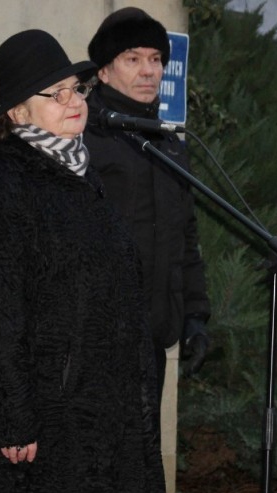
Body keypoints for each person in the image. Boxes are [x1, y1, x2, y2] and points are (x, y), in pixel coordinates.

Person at [0, 29, 171, 493]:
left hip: (95, 422)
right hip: (37, 431)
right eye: (55, 93)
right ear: (16, 114)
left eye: (76, 89)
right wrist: (11, 415)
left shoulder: (83, 175)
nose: (73, 102)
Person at [85, 7, 211, 392]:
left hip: (152, 338)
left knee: (143, 453)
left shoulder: (169, 146)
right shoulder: (83, 138)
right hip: (91, 342)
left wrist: (195, 315)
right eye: (133, 59)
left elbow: (185, 238)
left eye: (156, 59)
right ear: (104, 71)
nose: (148, 71)